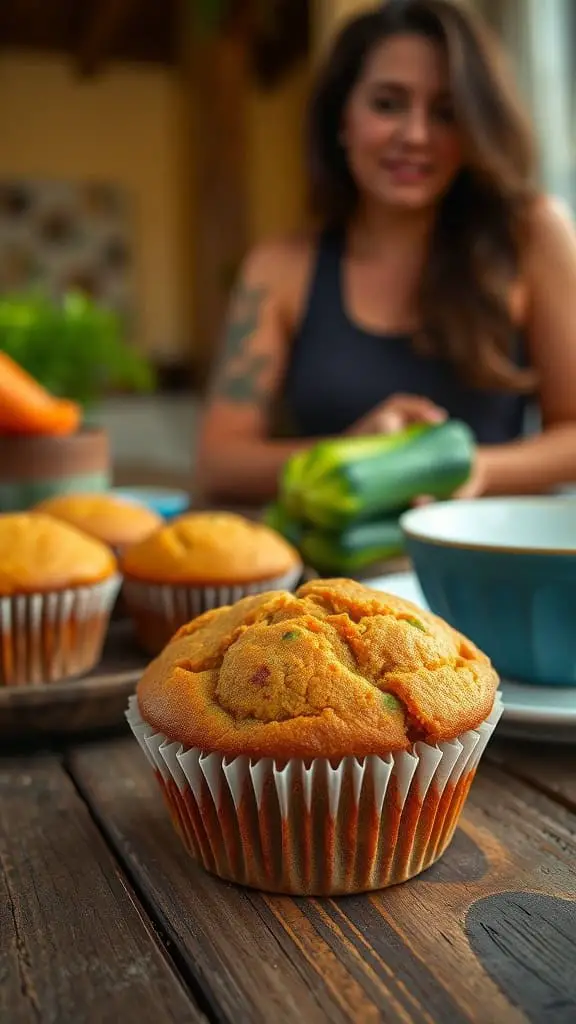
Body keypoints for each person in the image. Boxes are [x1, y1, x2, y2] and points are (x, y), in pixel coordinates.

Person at [196, 0, 576, 504]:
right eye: (387, 104)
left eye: (445, 113)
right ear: (341, 119)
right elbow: (220, 464)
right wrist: (352, 454)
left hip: (487, 564)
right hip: (333, 573)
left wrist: (471, 469)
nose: (415, 135)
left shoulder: (533, 236)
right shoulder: (278, 269)